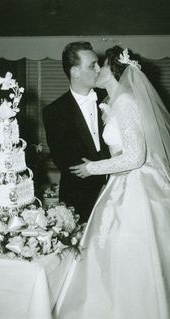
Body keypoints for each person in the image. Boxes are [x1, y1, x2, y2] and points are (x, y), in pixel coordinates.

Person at [53, 46, 170, 319]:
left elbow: (135, 158)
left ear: (115, 71)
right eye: (94, 65)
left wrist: (92, 167)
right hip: (120, 183)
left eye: (102, 65)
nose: (98, 69)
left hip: (137, 186)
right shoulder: (114, 101)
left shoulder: (125, 101)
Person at [43, 41, 110, 223]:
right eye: (92, 65)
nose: (98, 69)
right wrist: (97, 169)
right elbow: (62, 158)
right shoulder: (54, 111)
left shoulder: (110, 98)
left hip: (115, 190)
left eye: (98, 63)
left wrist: (104, 169)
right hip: (79, 196)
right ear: (75, 72)